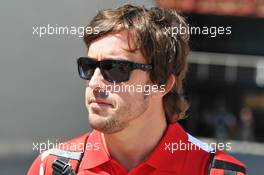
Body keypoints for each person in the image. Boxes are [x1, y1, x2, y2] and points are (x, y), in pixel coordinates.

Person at [28, 4, 246, 175]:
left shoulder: (216, 171)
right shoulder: (51, 166)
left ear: (162, 84)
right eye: (88, 66)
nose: (94, 82)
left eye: (115, 68)